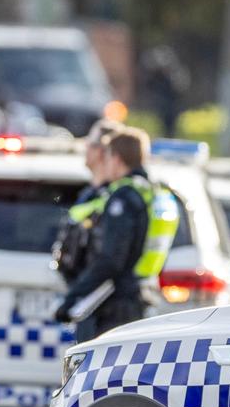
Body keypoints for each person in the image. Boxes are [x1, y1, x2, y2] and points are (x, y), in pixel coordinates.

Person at [54, 126, 162, 342]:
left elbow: (110, 259)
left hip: (111, 305)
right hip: (134, 296)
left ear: (116, 158)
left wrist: (73, 298)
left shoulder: (123, 197)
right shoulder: (149, 191)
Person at [52, 119, 123, 286]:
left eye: (88, 143)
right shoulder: (90, 194)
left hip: (96, 296)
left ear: (100, 151)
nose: (85, 147)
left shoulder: (115, 201)